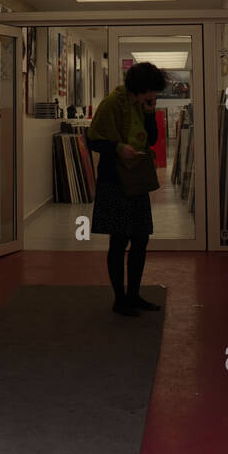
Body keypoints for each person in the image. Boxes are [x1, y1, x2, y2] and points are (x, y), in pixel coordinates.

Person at [87, 62, 166, 316]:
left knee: (141, 238)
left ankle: (134, 295)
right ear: (138, 88)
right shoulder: (112, 104)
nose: (152, 96)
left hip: (137, 179)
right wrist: (120, 148)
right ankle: (119, 299)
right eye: (149, 91)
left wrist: (150, 112)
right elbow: (94, 140)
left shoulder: (141, 105)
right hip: (115, 180)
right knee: (119, 240)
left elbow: (151, 139)